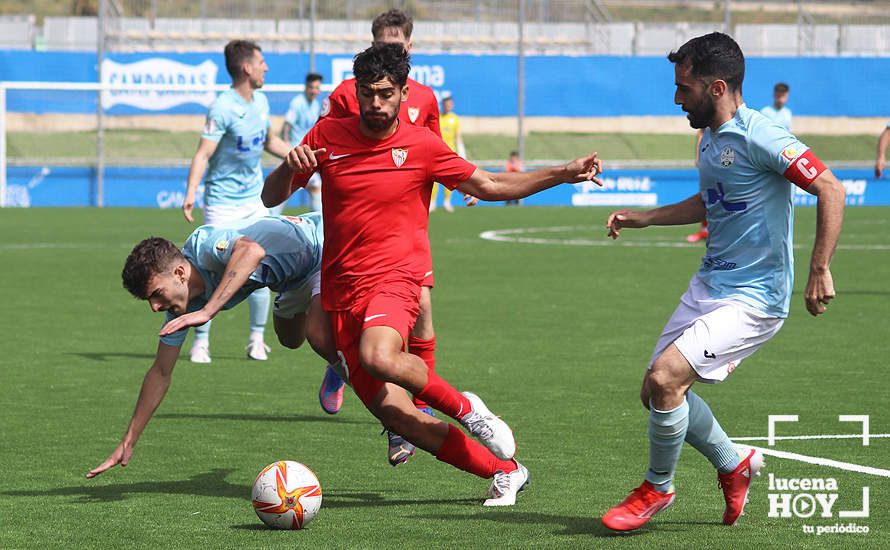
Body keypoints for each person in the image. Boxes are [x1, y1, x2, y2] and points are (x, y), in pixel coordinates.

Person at [263, 43, 602, 505]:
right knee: (399, 418)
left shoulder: (422, 145)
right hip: (341, 289)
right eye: (367, 93)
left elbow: (490, 185)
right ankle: (506, 472)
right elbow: (270, 197)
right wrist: (288, 167)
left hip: (395, 279)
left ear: (405, 93)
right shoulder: (326, 134)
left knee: (380, 356)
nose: (375, 103)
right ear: (355, 93)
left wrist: (562, 173)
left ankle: (469, 410)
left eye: (385, 93)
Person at [601, 32, 845, 532]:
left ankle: (657, 489)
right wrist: (646, 217)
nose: (676, 98)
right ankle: (733, 463)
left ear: (715, 87)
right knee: (655, 391)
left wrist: (819, 268)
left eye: (683, 88)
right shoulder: (710, 139)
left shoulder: (763, 136)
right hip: (711, 284)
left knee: (669, 378)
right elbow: (711, 201)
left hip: (755, 299)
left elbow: (829, 187)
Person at [314, 7, 477, 466]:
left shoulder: (423, 97)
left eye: (396, 44)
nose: (390, 49)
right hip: (357, 222)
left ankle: (414, 408)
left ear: (409, 47)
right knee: (363, 339)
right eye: (381, 43)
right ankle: (349, 374)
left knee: (422, 312)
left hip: (407, 220)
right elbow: (339, 142)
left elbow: (432, 150)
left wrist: (458, 183)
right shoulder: (347, 96)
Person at [86, 214, 342, 478]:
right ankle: (336, 363)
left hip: (323, 248)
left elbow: (252, 251)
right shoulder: (180, 307)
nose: (154, 307)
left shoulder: (204, 245)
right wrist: (129, 440)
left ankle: (388, 419)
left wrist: (208, 310)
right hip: (291, 282)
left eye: (156, 294)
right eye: (148, 301)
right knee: (290, 339)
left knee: (320, 337)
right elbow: (160, 372)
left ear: (180, 273)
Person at [182, 40, 292, 364]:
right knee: (210, 270)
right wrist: (191, 192)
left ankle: (256, 339)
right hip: (221, 203)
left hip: (253, 201)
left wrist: (303, 158)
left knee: (260, 267)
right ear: (247, 68)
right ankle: (201, 340)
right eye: (261, 62)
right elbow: (203, 153)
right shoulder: (222, 108)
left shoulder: (261, 102)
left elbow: (269, 140)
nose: (266, 67)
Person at [280, 72, 324, 214]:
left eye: (317, 88)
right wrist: (286, 147)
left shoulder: (316, 105)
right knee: (286, 189)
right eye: (311, 87)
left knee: (312, 187)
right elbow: (287, 125)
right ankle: (268, 216)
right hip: (295, 154)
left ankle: (319, 223)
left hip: (306, 155)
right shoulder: (297, 102)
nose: (314, 91)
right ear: (306, 87)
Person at [431, 95, 465, 212]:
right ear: (443, 105)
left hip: (450, 153)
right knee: (434, 179)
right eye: (446, 104)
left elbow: (458, 137)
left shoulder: (455, 119)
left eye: (450, 104)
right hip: (436, 152)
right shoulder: (437, 117)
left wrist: (461, 153)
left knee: (449, 179)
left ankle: (447, 202)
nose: (448, 106)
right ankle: (433, 202)